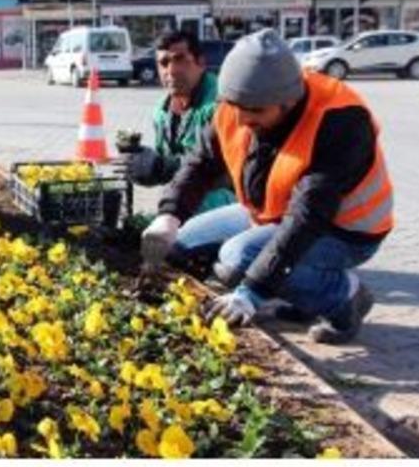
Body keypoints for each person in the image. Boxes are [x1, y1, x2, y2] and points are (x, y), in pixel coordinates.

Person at [140, 29, 394, 344]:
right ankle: (302, 297)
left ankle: (346, 298)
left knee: (238, 260)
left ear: (289, 101)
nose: (244, 119)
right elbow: (199, 165)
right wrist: (170, 215)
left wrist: (251, 292)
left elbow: (307, 217)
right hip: (271, 214)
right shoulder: (236, 105)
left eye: (256, 111)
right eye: (236, 106)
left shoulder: (340, 121)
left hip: (344, 230)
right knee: (182, 244)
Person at [126, 31, 234, 213]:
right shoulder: (161, 112)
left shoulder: (222, 105)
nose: (171, 71)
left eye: (180, 59)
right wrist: (147, 167)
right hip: (183, 200)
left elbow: (230, 172)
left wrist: (168, 168)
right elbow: (166, 170)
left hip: (230, 204)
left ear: (201, 63)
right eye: (164, 63)